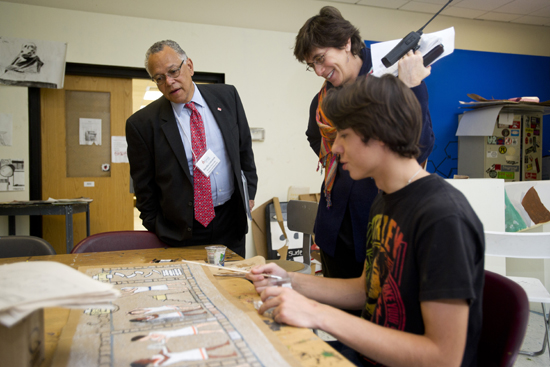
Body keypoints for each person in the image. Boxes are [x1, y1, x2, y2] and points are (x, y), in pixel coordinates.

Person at [247, 75, 484, 367]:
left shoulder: (442, 217)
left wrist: (317, 313)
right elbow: (366, 289)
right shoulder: (384, 198)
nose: (334, 149)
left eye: (344, 136)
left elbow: (443, 357)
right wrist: (289, 281)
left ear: (380, 135)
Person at [294, 6, 435, 292]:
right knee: (341, 309)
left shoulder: (395, 79)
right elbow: (314, 136)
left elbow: (419, 147)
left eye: (321, 59)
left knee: (380, 311)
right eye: (313, 65)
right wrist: (341, 160)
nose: (319, 71)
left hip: (381, 218)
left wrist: (413, 87)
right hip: (335, 226)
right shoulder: (322, 100)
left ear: (346, 43)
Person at [126, 40, 258, 257]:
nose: (169, 82)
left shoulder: (227, 97)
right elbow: (144, 187)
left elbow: (244, 151)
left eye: (173, 71)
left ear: (189, 65)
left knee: (233, 286)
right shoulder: (142, 124)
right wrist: (157, 225)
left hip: (230, 222)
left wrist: (248, 193)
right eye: (159, 78)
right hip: (181, 230)